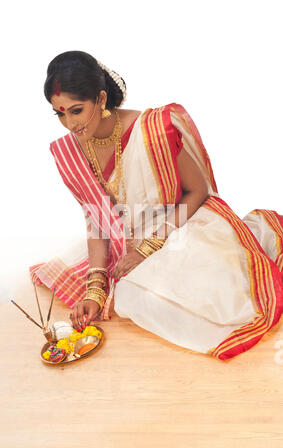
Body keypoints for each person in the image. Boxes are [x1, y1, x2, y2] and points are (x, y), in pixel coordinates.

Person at [30, 50, 283, 360]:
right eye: (60, 113)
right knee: (130, 296)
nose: (70, 124)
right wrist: (95, 290)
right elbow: (96, 216)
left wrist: (148, 248)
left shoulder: (154, 130)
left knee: (216, 293)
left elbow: (197, 191)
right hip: (129, 234)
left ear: (100, 98)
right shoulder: (71, 150)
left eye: (76, 110)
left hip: (183, 223)